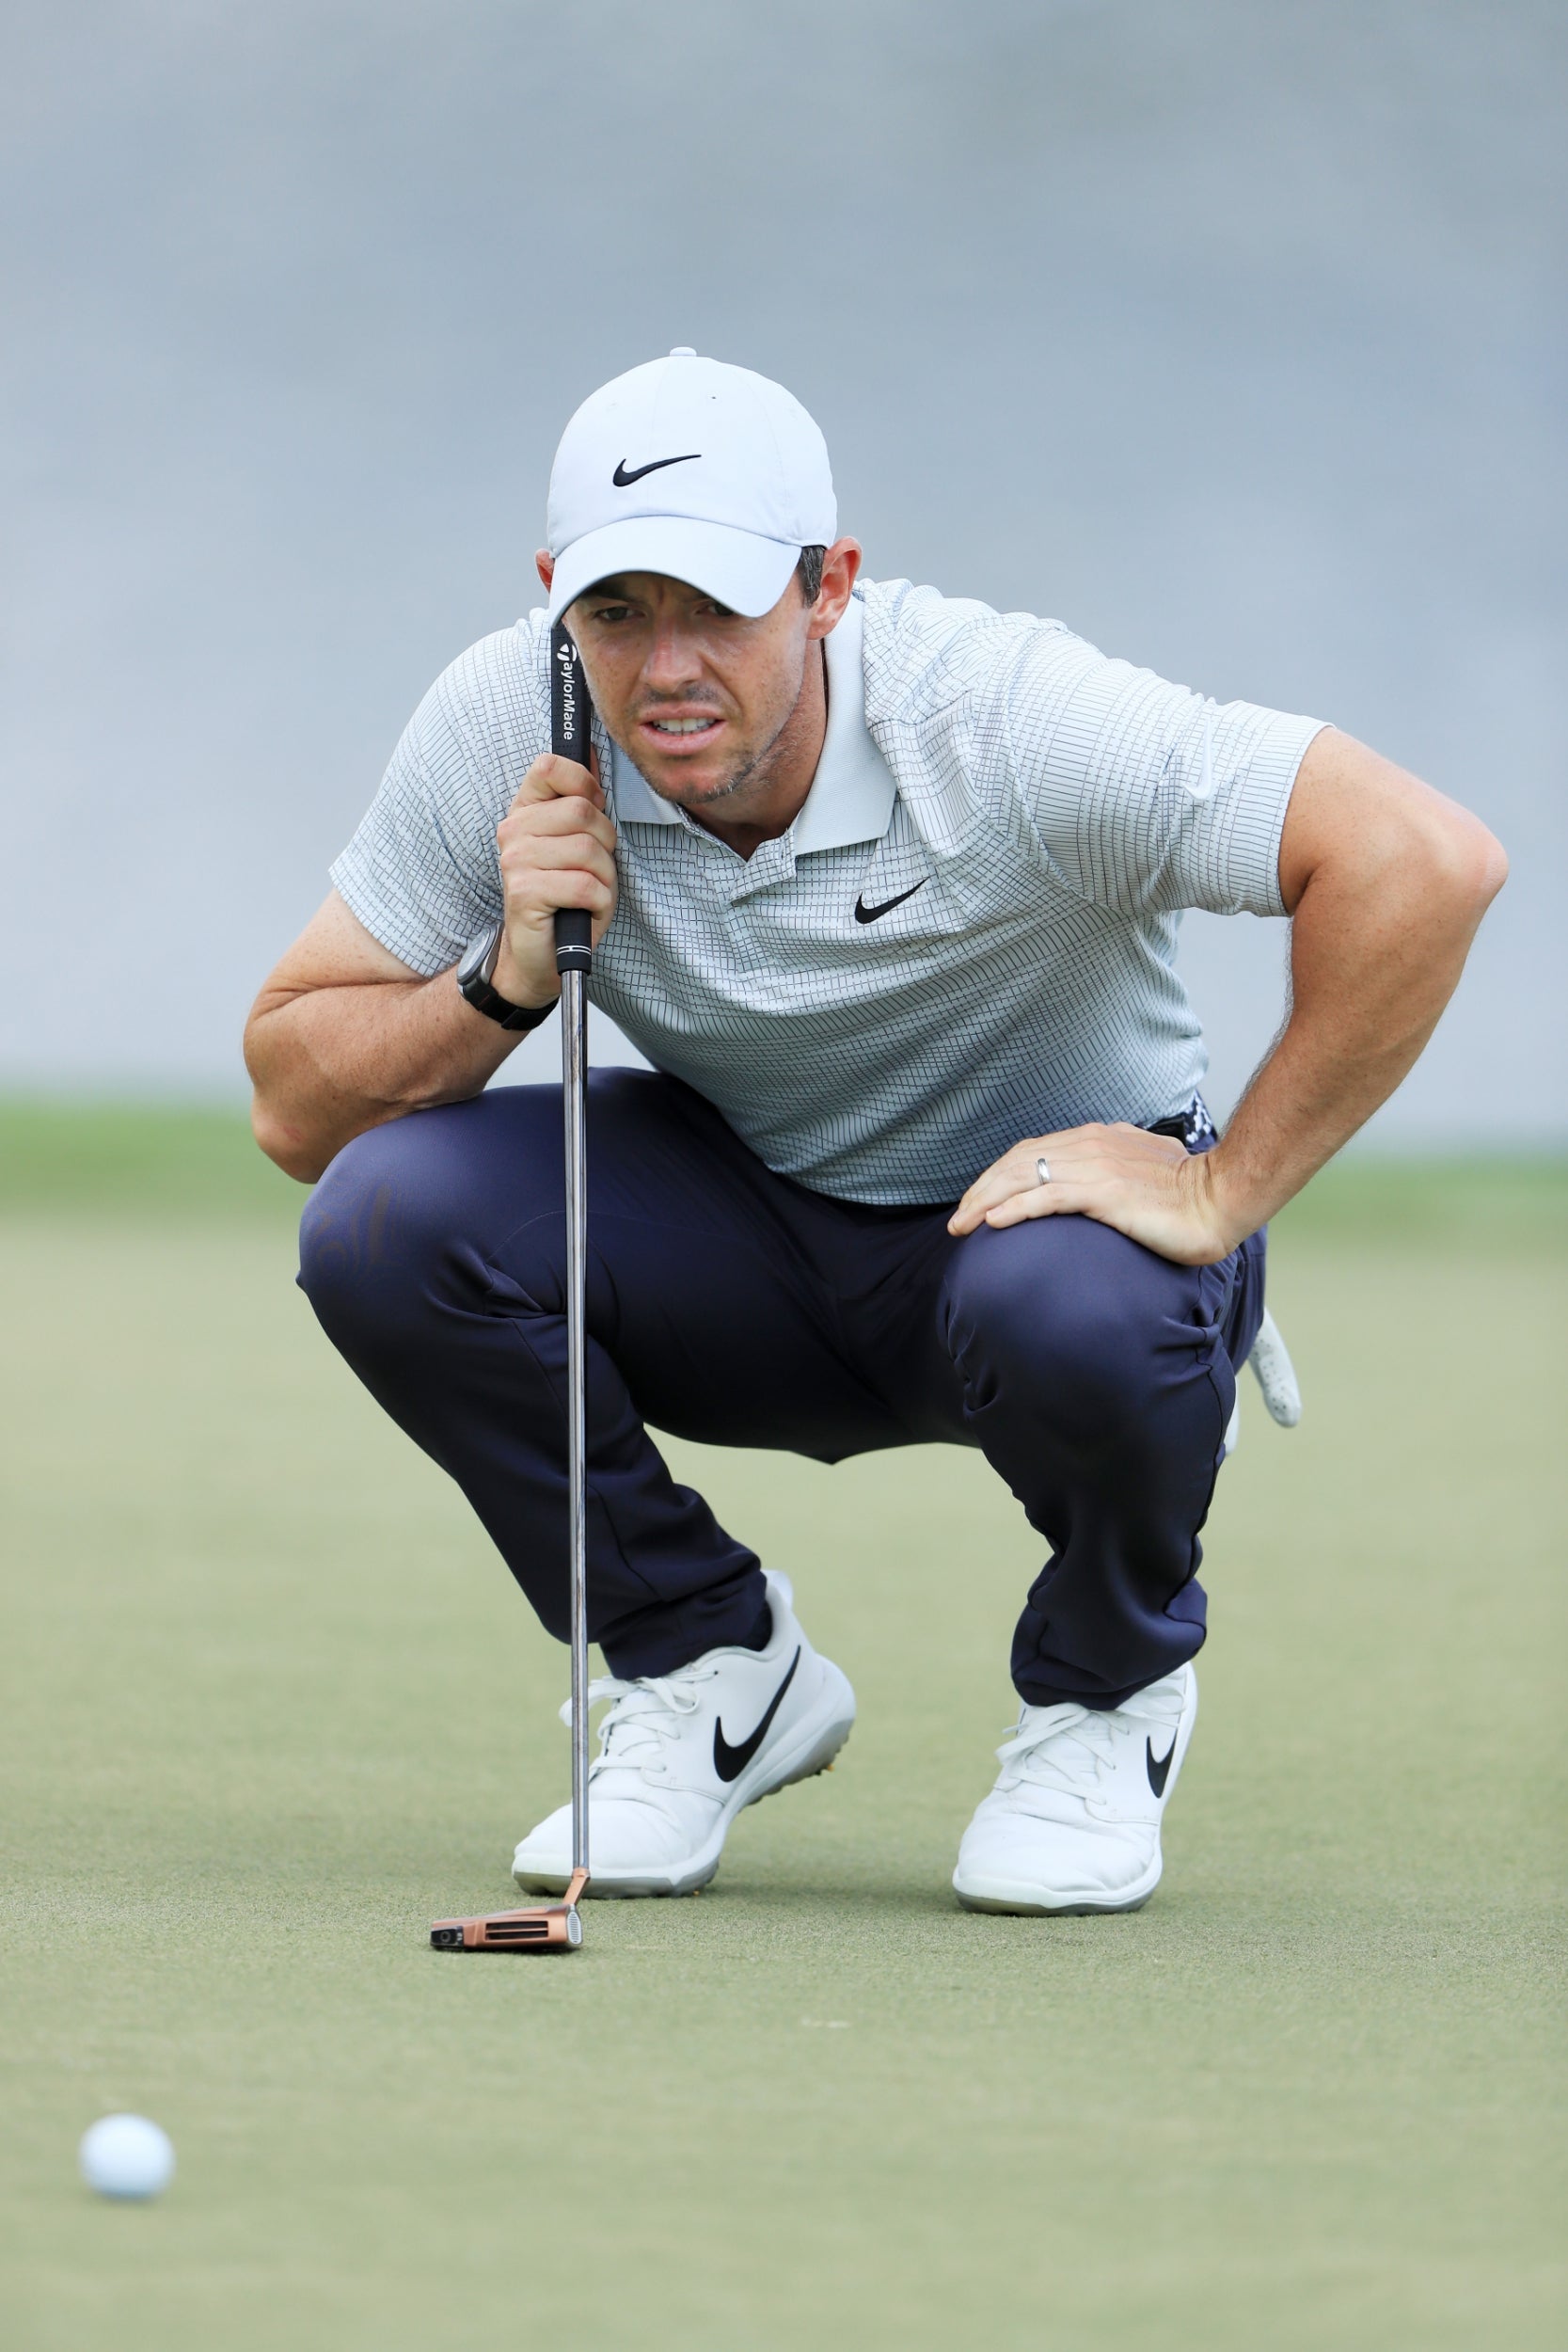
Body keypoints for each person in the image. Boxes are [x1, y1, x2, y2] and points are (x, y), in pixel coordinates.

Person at [244, 349, 1505, 1916]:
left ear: (827, 586)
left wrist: (1221, 1187)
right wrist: (500, 978)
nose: (666, 668)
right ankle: (707, 1664)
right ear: (557, 597)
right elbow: (293, 1102)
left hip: (1044, 1248)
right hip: (754, 1229)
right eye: (619, 612)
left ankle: (1107, 1696)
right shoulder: (513, 720)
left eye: (719, 609)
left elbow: (1423, 860)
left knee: (1076, 1308)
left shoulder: (1002, 717)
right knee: (381, 1220)